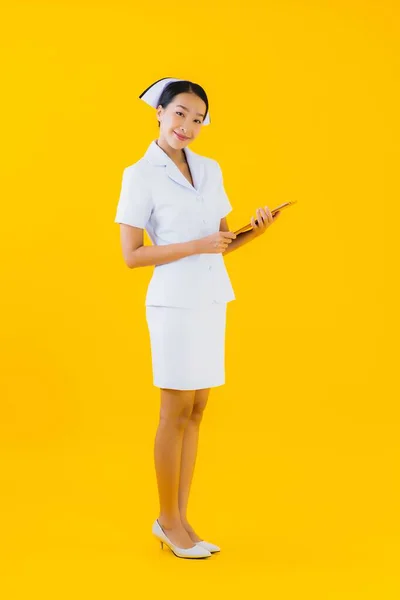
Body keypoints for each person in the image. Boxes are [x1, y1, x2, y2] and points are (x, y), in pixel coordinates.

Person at [115, 78, 280, 559]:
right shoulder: (139, 174)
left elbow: (222, 240)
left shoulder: (210, 170)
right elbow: (131, 255)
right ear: (160, 114)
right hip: (172, 305)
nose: (188, 125)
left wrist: (257, 230)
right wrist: (196, 246)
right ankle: (167, 520)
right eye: (181, 113)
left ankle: (182, 520)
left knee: (197, 411)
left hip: (210, 300)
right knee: (173, 412)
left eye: (198, 118)